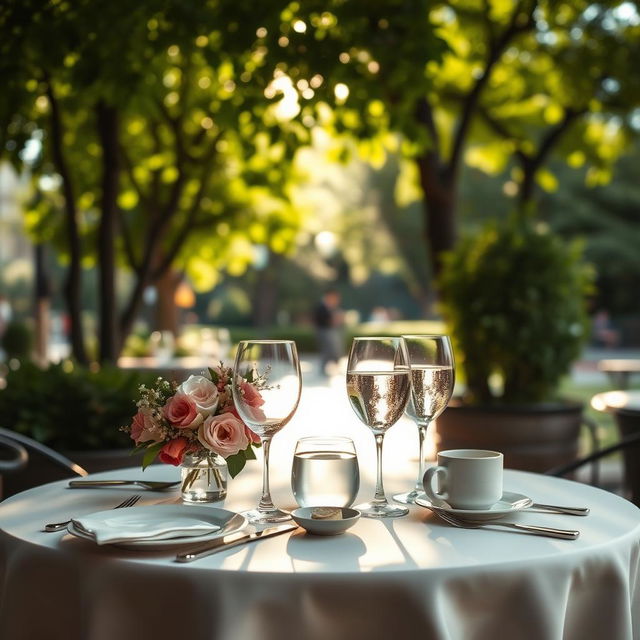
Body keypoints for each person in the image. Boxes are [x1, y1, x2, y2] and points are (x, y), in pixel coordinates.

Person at [313, 289, 344, 376]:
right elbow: (320, 320)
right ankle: (323, 368)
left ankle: (334, 366)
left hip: (332, 331)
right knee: (326, 351)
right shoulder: (321, 307)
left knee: (334, 350)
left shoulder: (333, 307)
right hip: (324, 331)